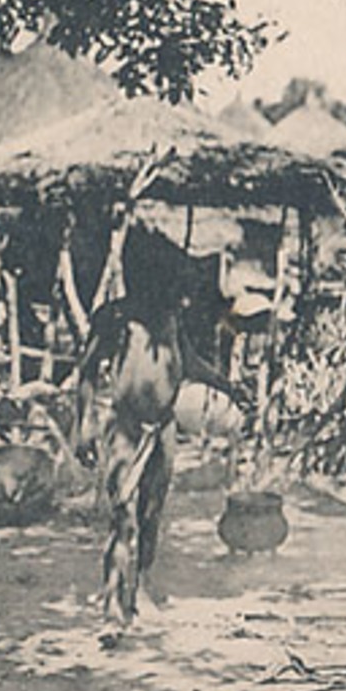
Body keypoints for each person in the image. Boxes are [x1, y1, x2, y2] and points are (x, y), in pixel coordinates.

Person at [72, 224, 248, 638]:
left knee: (151, 516)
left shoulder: (169, 319)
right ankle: (114, 607)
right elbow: (85, 372)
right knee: (124, 517)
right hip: (126, 429)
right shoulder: (116, 317)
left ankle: (141, 586)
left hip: (163, 430)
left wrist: (228, 386)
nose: (175, 289)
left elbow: (188, 362)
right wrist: (83, 424)